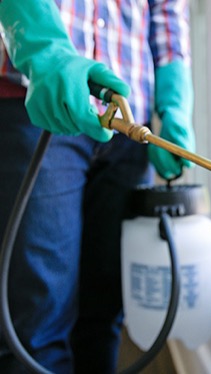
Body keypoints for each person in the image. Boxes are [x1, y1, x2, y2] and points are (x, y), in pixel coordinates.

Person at [0, 0, 195, 372]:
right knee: (36, 320)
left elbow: (168, 11)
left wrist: (174, 102)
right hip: (37, 96)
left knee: (104, 310)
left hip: (126, 116)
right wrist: (44, 47)